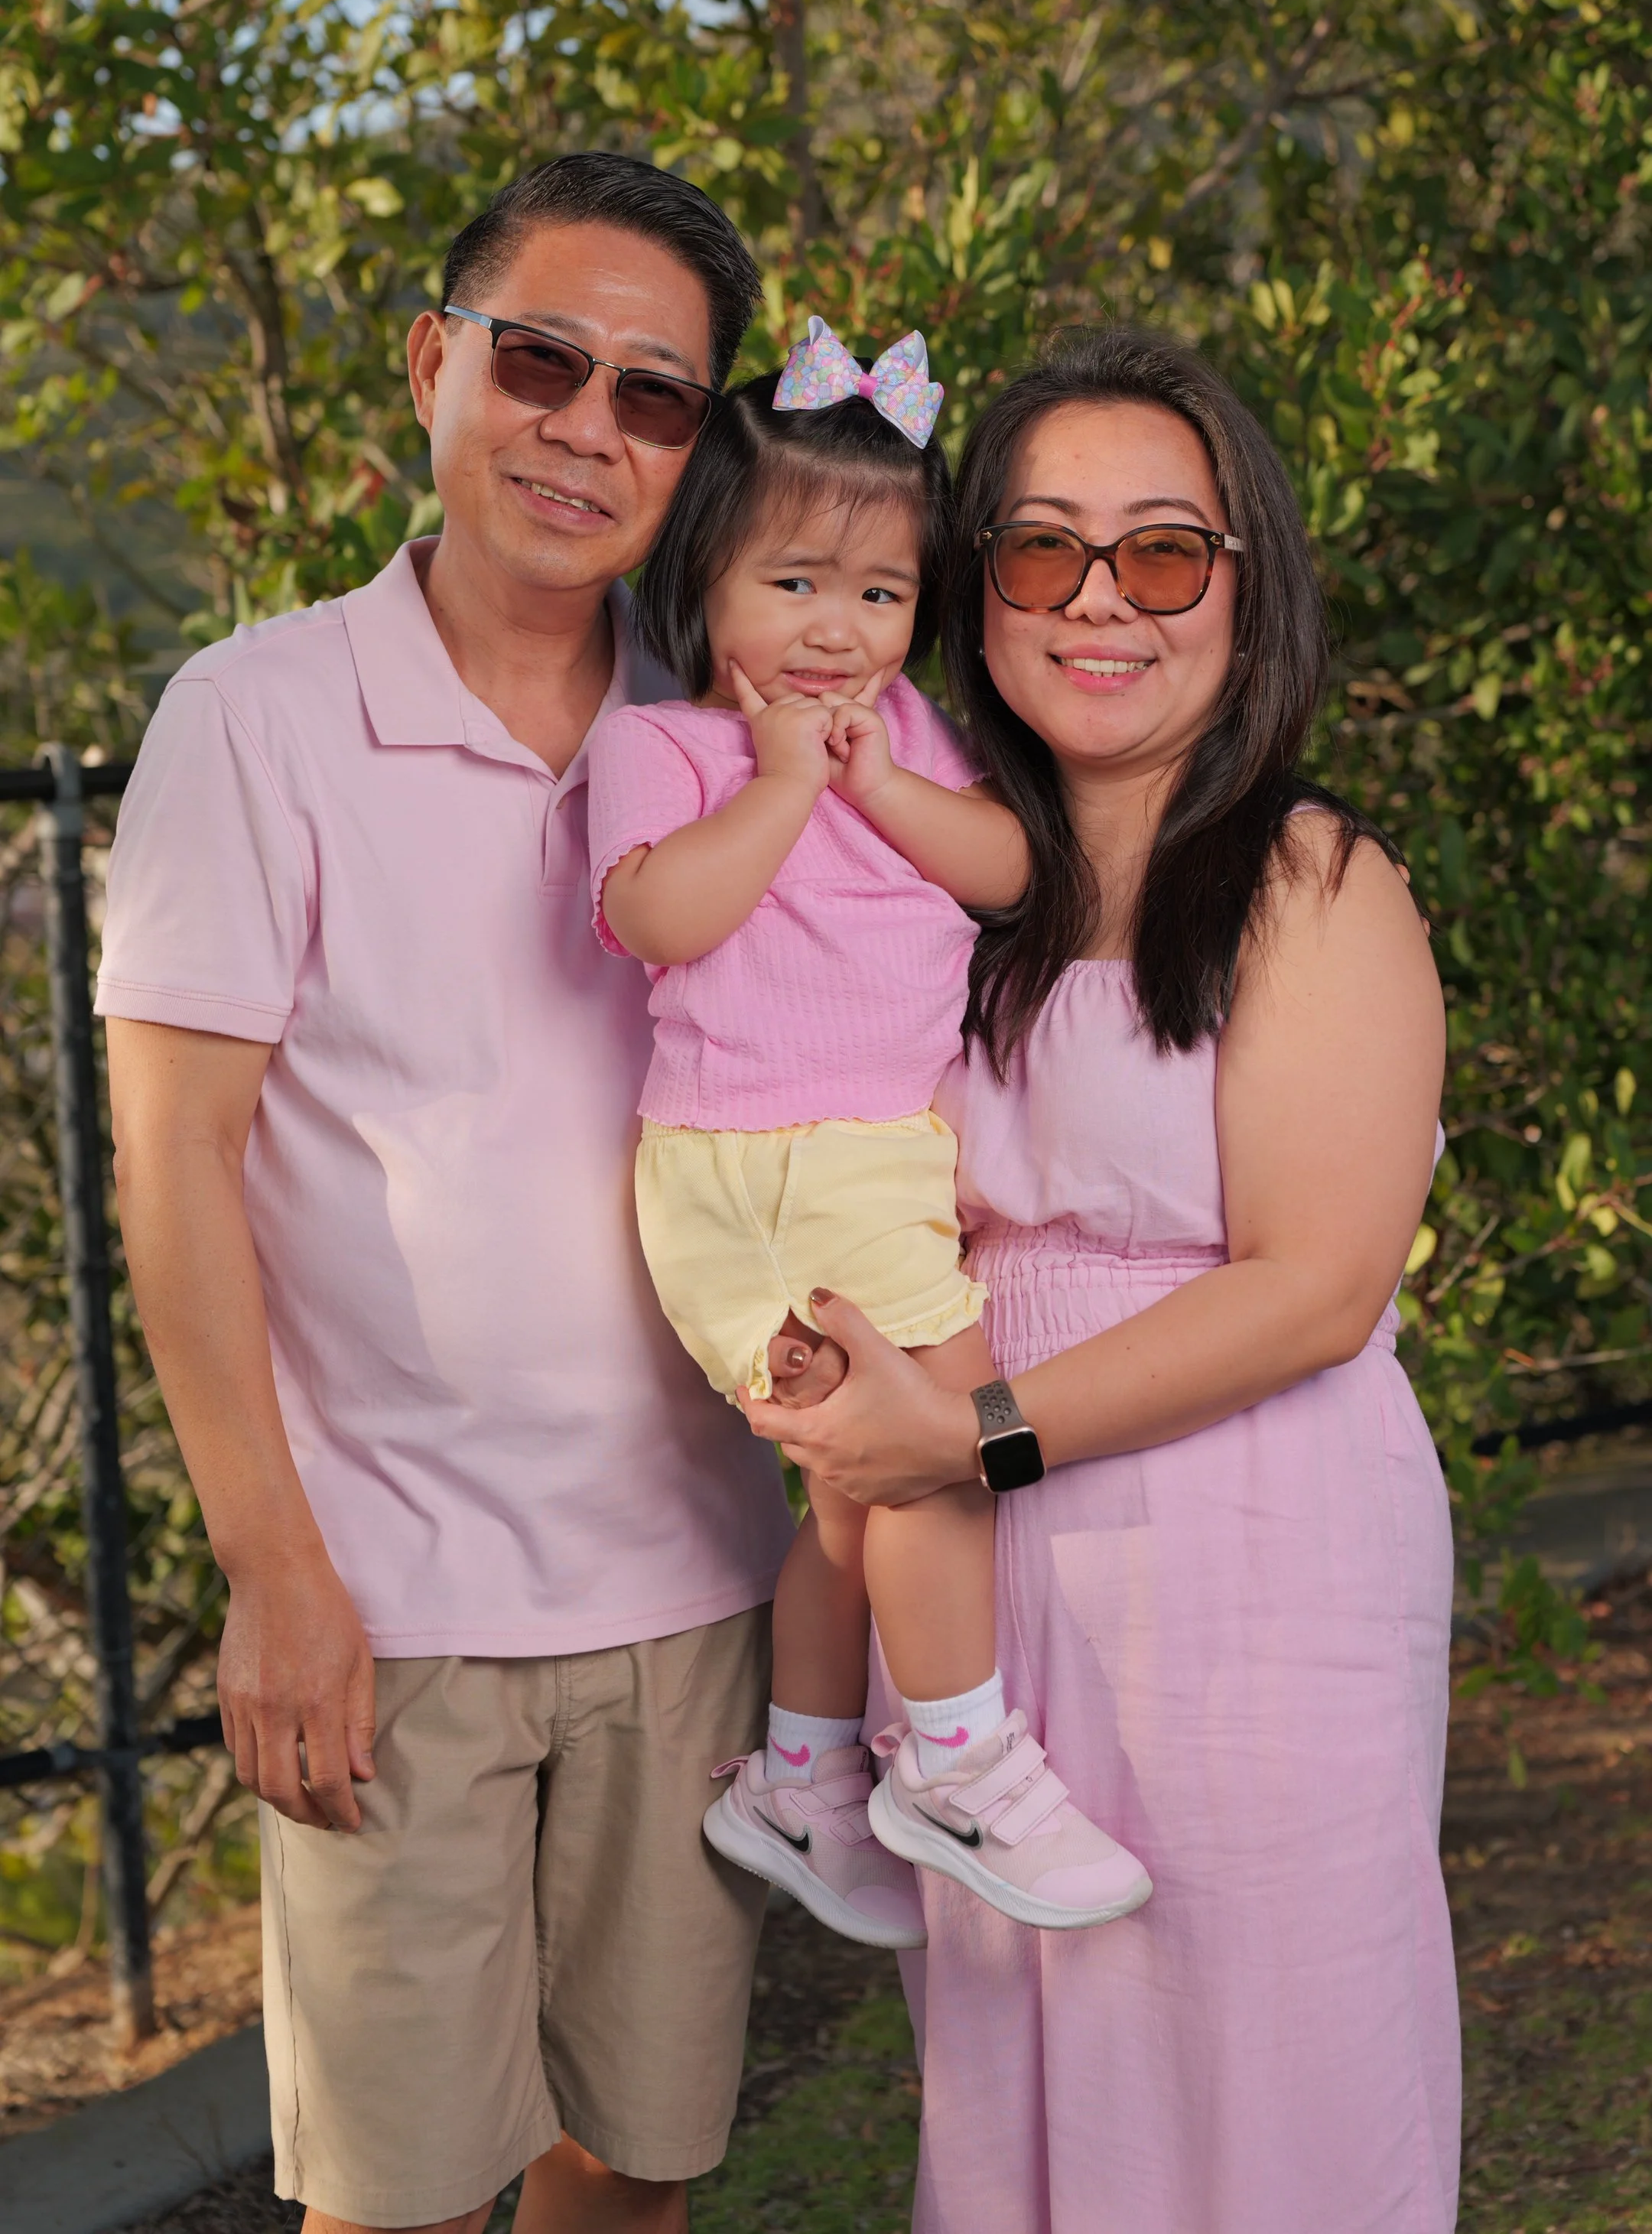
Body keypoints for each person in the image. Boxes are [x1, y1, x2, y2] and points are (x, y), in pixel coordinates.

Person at [98, 154, 800, 2234]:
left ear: (693, 457)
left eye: (652, 396)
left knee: (635, 2170)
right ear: (434, 365)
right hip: (387, 1611)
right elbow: (175, 1168)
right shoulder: (255, 719)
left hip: (688, 1586)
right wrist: (274, 1569)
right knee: (393, 2205)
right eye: (541, 360)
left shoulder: (716, 741)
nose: (585, 427)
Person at [742, 325, 1460, 2232]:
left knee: (1268, 2068)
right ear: (974, 594)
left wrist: (958, 1440)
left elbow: (1314, 1285)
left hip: (1247, 1555)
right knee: (1026, 2086)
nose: (1100, 601)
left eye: (1163, 551)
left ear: (1248, 586)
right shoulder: (936, 897)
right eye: (1042, 549)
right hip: (977, 1587)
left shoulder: (1311, 882)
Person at [586, 318, 1151, 1952]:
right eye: (795, 586)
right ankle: (960, 1757)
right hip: (760, 1168)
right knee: (950, 1444)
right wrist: (775, 783)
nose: (839, 632)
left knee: (856, 1498)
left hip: (868, 1157)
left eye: (882, 594)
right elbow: (655, 919)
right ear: (701, 581)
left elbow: (1013, 872)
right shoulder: (666, 748)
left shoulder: (900, 738)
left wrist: (870, 785)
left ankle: (806, 1774)